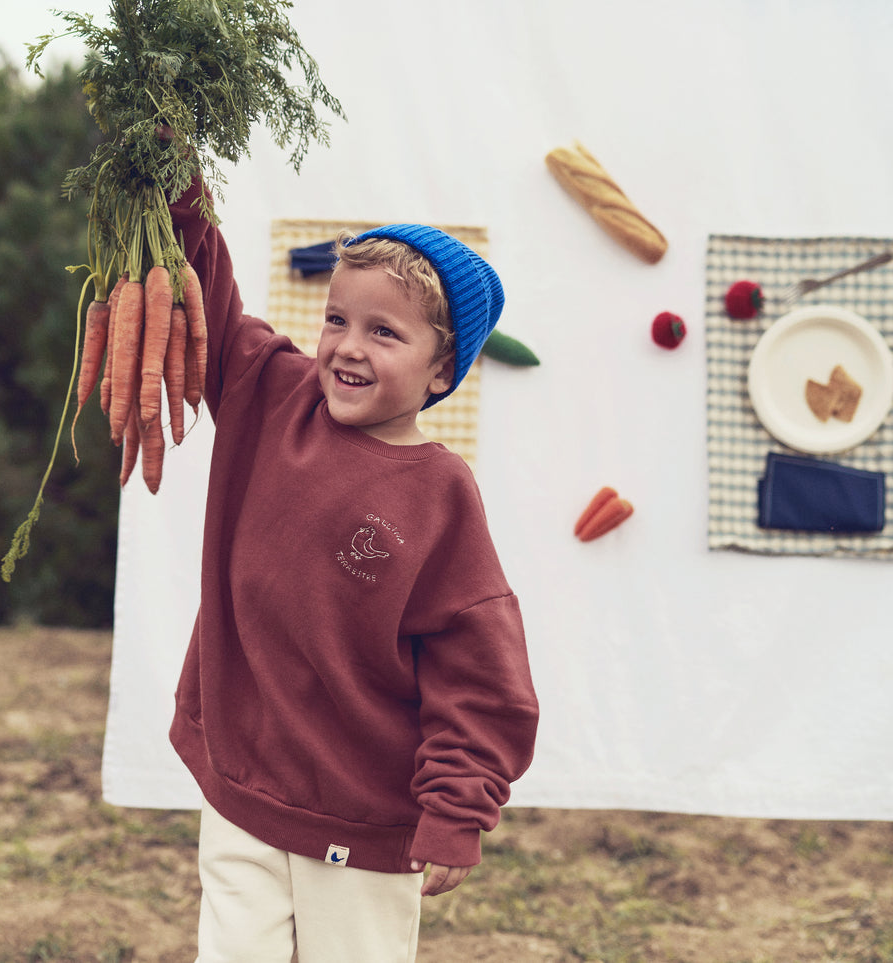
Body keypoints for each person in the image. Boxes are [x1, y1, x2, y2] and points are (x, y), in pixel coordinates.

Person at [166, 174, 539, 963]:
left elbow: (480, 672)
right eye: (337, 318)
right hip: (239, 783)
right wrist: (172, 187)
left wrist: (456, 807)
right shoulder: (274, 396)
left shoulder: (439, 495)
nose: (347, 346)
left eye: (385, 332)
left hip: (363, 816)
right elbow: (206, 293)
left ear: (442, 372)